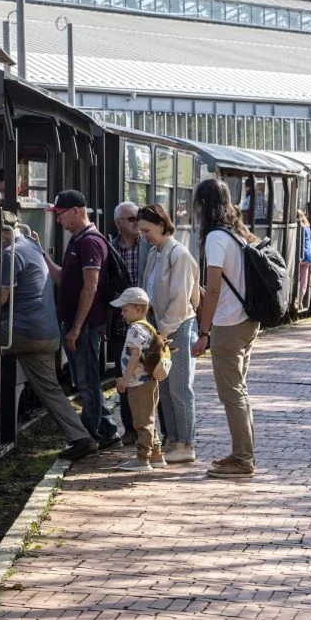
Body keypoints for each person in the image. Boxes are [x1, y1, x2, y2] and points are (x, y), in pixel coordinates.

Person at [0, 224, 98, 460]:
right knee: (50, 390)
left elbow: (1, 299)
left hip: (21, 332)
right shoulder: (32, 245)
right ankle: (81, 438)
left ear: (2, 232)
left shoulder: (10, 254)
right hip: (48, 333)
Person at [190, 179, 259, 479]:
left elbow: (214, 288)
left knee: (231, 394)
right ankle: (242, 452)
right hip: (247, 320)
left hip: (229, 323)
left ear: (204, 205)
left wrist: (204, 332)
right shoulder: (238, 232)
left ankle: (243, 460)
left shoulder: (216, 238)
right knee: (239, 391)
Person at [42, 190, 120, 450]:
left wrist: (76, 327)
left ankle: (90, 436)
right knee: (85, 382)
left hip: (85, 326)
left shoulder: (89, 242)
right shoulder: (77, 241)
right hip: (76, 324)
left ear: (76, 211)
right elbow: (63, 279)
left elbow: (91, 285)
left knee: (87, 383)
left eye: (61, 214)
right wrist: (42, 255)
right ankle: (107, 430)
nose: (58, 220)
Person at [138, 203, 201, 464]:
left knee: (179, 388)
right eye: (141, 231)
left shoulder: (179, 254)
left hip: (178, 327)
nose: (144, 236)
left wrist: (162, 331)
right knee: (164, 387)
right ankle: (173, 439)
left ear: (162, 225)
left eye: (147, 230)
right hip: (161, 326)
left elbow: (180, 300)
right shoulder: (156, 253)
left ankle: (186, 443)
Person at [112, 287, 164, 472]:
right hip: (149, 381)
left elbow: (134, 356)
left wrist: (124, 380)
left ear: (139, 309)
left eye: (125, 310)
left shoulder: (135, 329)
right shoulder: (148, 327)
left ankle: (143, 458)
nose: (122, 314)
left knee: (141, 422)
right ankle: (156, 454)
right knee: (148, 418)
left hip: (138, 383)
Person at [109, 201, 149, 445]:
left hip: (145, 326)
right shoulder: (110, 248)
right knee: (124, 377)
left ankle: (151, 431)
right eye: (132, 219)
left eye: (138, 218)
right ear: (118, 223)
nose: (137, 223)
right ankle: (130, 430)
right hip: (120, 325)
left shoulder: (147, 246)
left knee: (148, 378)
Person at [297, 210, 311, 303]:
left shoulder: (299, 227)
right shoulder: (307, 226)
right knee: (304, 279)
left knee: (297, 279)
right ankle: (300, 301)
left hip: (301, 255)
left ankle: (296, 299)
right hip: (308, 255)